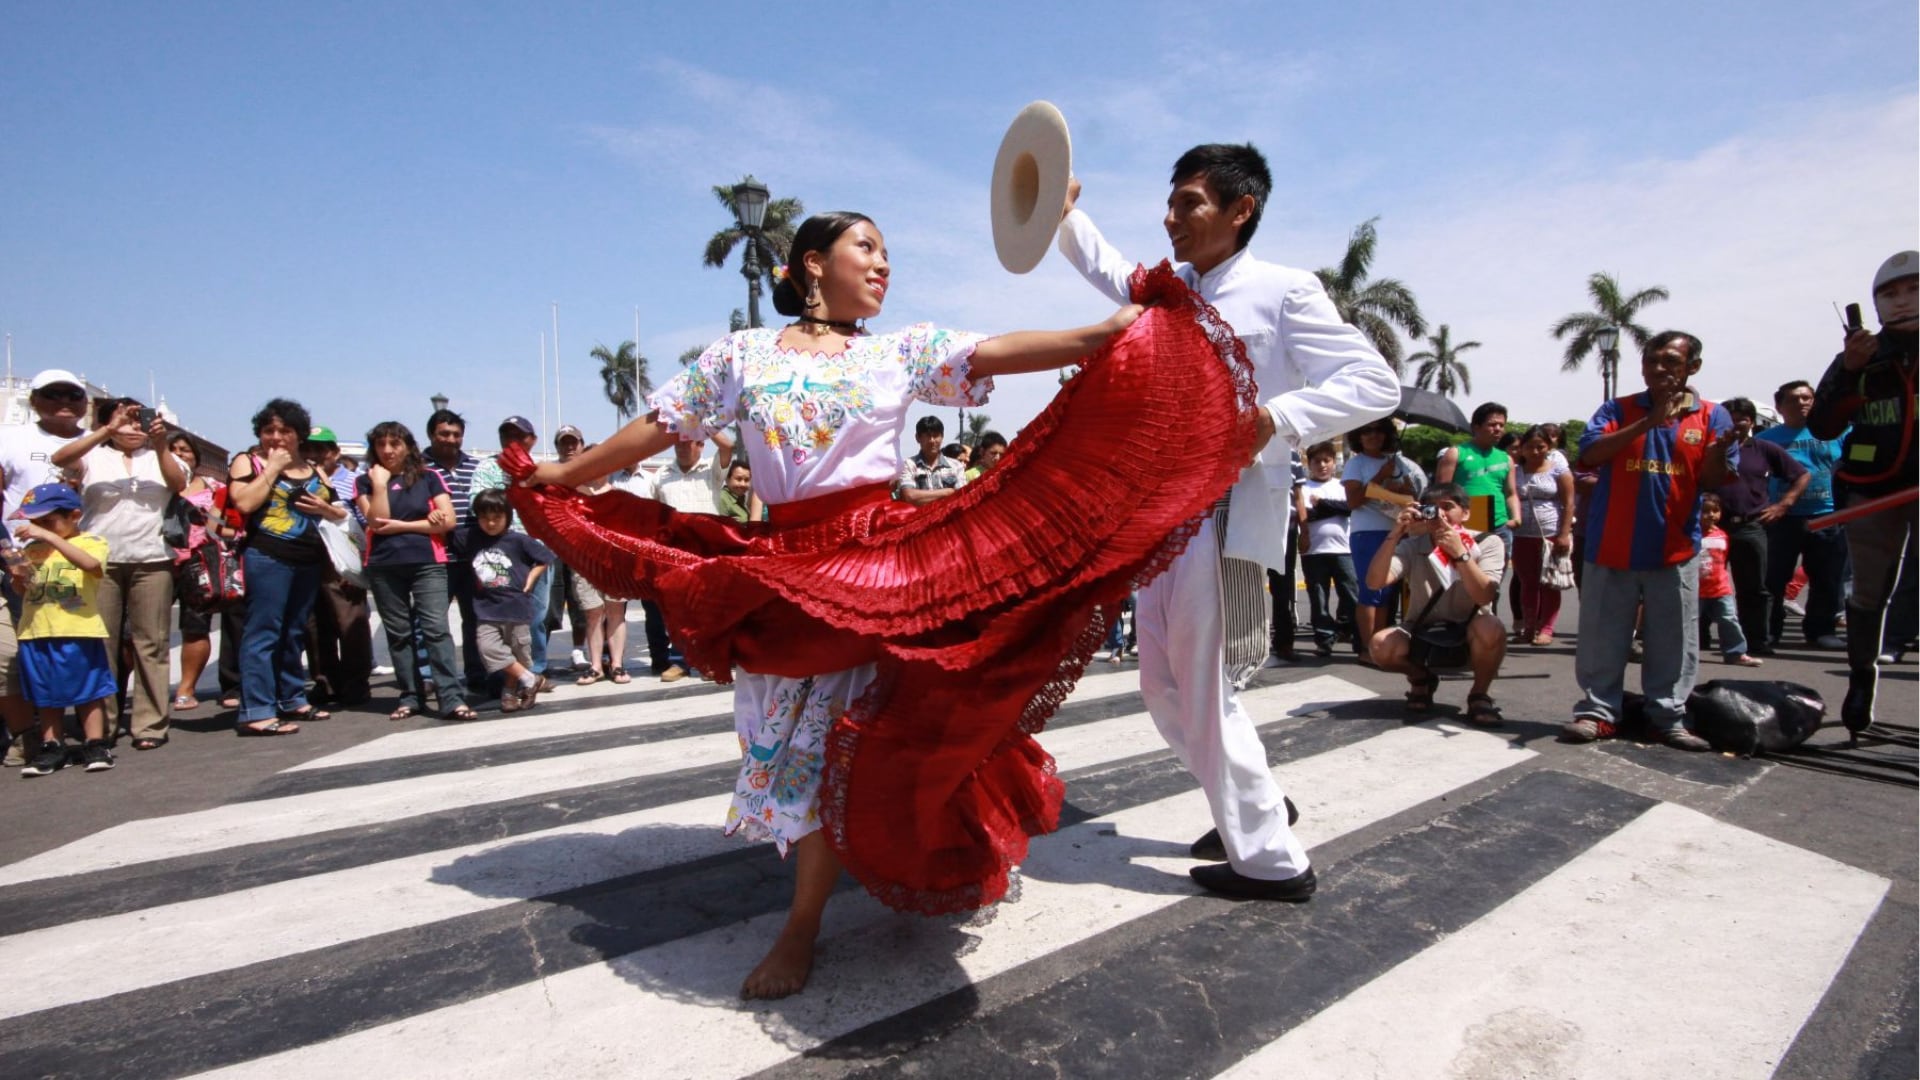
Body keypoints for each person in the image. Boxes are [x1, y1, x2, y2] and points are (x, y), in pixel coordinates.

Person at [522, 208, 1159, 998]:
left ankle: (802, 924)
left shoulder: (896, 352)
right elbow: (660, 425)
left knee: (840, 743)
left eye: (888, 252)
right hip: (783, 571)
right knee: (792, 742)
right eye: (868, 247)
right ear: (813, 263)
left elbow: (994, 350)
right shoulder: (741, 355)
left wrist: (1101, 334)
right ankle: (823, 885)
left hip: (879, 569)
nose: (884, 264)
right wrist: (567, 475)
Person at [1059, 144, 1399, 901]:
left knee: (1206, 688)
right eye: (1170, 203)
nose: (1170, 217)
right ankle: (1259, 803)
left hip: (1227, 510)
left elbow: (1375, 382)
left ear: (1240, 210)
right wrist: (1063, 214)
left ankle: (1272, 861)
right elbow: (1111, 271)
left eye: (1189, 202)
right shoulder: (1170, 289)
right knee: (1160, 685)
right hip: (1161, 516)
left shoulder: (1285, 290)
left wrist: (1274, 418)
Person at [1561, 332, 1736, 752]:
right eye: (1651, 360)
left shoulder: (1713, 416)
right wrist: (1649, 421)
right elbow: (1590, 455)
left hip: (1675, 550)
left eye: (1670, 361)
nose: (1658, 368)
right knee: (1602, 637)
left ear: (1693, 367)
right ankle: (1598, 713)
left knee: (1674, 641)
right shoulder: (1617, 409)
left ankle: (1667, 718)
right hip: (1610, 546)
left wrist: (1720, 452)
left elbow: (1713, 479)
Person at [1808, 250, 1917, 736]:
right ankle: (1861, 680)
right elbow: (1823, 425)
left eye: (1913, 290)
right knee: (1868, 592)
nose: (1902, 301)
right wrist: (1851, 371)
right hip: (1873, 488)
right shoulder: (1861, 356)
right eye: (1890, 294)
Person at [50, 399, 188, 751]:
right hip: (99, 561)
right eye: (125, 421)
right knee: (102, 643)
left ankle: (150, 723)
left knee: (152, 643)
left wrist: (160, 443)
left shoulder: (160, 456)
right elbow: (60, 459)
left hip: (152, 557)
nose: (133, 427)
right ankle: (102, 725)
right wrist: (106, 431)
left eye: (140, 421)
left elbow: (177, 484)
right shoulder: (94, 456)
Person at [227, 399, 350, 736]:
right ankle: (256, 710)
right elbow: (244, 502)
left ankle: (291, 697)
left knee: (294, 631)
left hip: (308, 559)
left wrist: (326, 508)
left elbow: (340, 511)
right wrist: (272, 468)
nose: (277, 437)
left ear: (299, 434)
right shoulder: (248, 461)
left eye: (285, 430)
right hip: (268, 556)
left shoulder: (314, 468)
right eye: (269, 430)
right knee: (263, 631)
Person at [0, 370, 89, 767]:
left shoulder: (97, 441)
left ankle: (92, 732)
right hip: (23, 560)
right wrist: (9, 553)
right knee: (21, 653)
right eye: (53, 394)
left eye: (73, 394)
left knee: (81, 650)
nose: (64, 402)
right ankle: (31, 735)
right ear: (34, 400)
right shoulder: (11, 438)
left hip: (82, 560)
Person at [356, 421, 473, 722]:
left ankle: (450, 697)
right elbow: (377, 522)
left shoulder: (429, 477)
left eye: (394, 443)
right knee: (399, 634)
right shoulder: (365, 481)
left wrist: (402, 526)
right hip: (384, 565)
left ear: (408, 447)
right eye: (381, 444)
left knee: (436, 630)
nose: (387, 450)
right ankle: (411, 695)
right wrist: (380, 485)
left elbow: (448, 521)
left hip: (427, 562)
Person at [1363, 482, 1507, 725]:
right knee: (1380, 645)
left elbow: (1484, 596)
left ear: (1465, 513)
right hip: (1422, 628)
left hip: (1470, 628)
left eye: (1448, 507)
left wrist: (1460, 553)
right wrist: (1395, 533)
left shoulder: (1487, 542)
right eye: (1432, 508)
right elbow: (1375, 582)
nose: (1440, 514)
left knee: (1491, 627)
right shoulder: (1414, 544)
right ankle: (1421, 678)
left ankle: (1479, 694)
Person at [9, 483, 118, 776]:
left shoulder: (91, 542)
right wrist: (18, 576)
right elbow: (25, 591)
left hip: (76, 630)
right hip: (36, 631)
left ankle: (95, 743)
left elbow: (91, 565)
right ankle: (52, 745)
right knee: (45, 694)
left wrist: (50, 537)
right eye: (36, 523)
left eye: (48, 521)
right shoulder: (32, 550)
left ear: (74, 516)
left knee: (88, 690)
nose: (40, 528)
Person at [1759, 379, 1850, 652]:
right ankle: (1769, 632)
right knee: (1774, 578)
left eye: (1807, 398)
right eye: (1793, 399)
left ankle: (1821, 631)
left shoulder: (1839, 433)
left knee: (1827, 578)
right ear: (1779, 406)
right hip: (1782, 517)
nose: (1801, 403)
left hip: (1827, 515)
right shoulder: (1766, 439)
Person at [1712, 397, 1808, 656]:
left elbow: (1801, 475)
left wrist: (1783, 505)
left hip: (1750, 526)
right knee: (1704, 584)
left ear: (1752, 422)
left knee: (1755, 588)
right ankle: (1699, 640)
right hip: (1712, 528)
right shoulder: (1711, 448)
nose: (1735, 424)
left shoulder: (1764, 449)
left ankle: (1756, 641)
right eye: (1730, 419)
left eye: (1742, 419)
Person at [469, 416, 556, 686]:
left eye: (519, 435)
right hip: (501, 551)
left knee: (535, 616)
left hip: (536, 550)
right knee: (499, 620)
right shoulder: (487, 466)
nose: (512, 440)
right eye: (506, 434)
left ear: (533, 440)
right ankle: (511, 675)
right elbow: (477, 503)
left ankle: (535, 670)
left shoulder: (541, 470)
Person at [1342, 417, 1427, 662]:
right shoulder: (1355, 464)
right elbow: (1353, 501)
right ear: (1358, 436)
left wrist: (1402, 488)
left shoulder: (1399, 462)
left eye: (1379, 430)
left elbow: (1413, 496)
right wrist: (1380, 476)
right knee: (1370, 590)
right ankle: (1367, 648)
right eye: (1367, 431)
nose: (1373, 435)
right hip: (1367, 533)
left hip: (1397, 531)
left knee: (1386, 592)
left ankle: (1379, 647)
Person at [462, 489, 553, 711]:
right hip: (486, 610)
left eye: (497, 517)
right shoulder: (470, 537)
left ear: (508, 516)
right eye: (484, 518)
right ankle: (531, 679)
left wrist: (531, 578)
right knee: (488, 649)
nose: (490, 523)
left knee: (518, 652)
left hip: (517, 608)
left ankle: (509, 692)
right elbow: (446, 533)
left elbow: (545, 558)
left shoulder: (518, 540)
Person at [1433, 402, 1520, 615]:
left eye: (1501, 425)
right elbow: (1440, 492)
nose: (1498, 429)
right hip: (1467, 525)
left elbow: (1511, 493)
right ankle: (1464, 621)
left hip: (1499, 526)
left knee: (1492, 581)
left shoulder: (1506, 458)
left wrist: (1516, 516)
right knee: (1464, 576)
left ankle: (1489, 621)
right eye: (1492, 424)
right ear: (1476, 426)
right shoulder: (1457, 453)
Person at [423, 408, 487, 691]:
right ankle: (430, 675)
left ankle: (477, 672)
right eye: (444, 434)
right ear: (431, 435)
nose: (450, 439)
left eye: (456, 434)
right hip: (435, 556)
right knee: (433, 622)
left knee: (475, 618)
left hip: (473, 557)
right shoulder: (418, 468)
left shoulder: (476, 466)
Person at [164, 433, 229, 712]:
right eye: (173, 449)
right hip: (158, 562)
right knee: (139, 632)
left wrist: (212, 522)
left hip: (199, 562)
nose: (180, 454)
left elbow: (225, 525)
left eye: (185, 449)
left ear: (196, 456)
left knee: (196, 626)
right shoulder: (152, 485)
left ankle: (186, 688)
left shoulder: (214, 487)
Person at [565, 462, 634, 685]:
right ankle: (595, 666)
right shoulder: (573, 496)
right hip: (584, 561)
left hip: (614, 562)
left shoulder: (618, 496)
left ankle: (617, 664)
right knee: (593, 613)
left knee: (616, 611)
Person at [1510, 424, 1574, 646]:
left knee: (1549, 583)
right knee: (1527, 582)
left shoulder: (1558, 470)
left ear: (1549, 447)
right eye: (1530, 447)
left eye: (1541, 446)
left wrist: (1564, 534)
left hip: (1551, 534)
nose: (1535, 451)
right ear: (1522, 448)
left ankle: (1546, 628)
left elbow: (1569, 503)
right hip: (1521, 535)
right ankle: (1529, 627)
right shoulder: (1514, 470)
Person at [1295, 441, 1357, 658]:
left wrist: (1322, 503)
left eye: (1326, 460)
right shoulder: (1302, 488)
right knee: (1319, 598)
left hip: (1344, 550)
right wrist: (1333, 507)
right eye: (1317, 461)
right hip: (1314, 552)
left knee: (1351, 594)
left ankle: (1352, 632)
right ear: (1309, 464)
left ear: (1333, 463)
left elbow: (1349, 508)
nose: (1322, 465)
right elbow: (1306, 515)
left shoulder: (1342, 486)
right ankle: (1324, 638)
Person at [1697, 494, 1763, 666]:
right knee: (1690, 623)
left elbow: (1723, 561)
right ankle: (1681, 654)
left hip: (1720, 589)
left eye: (1715, 511)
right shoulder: (1692, 535)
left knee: (1729, 619)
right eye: (1705, 511)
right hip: (1696, 590)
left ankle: (1736, 653)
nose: (1711, 515)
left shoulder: (1722, 535)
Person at [896, 416, 967, 505]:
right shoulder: (908, 465)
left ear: (942, 437)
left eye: (936, 435)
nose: (932, 440)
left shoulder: (956, 466)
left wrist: (923, 497)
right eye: (928, 436)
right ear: (918, 438)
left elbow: (961, 496)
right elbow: (909, 496)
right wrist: (948, 492)